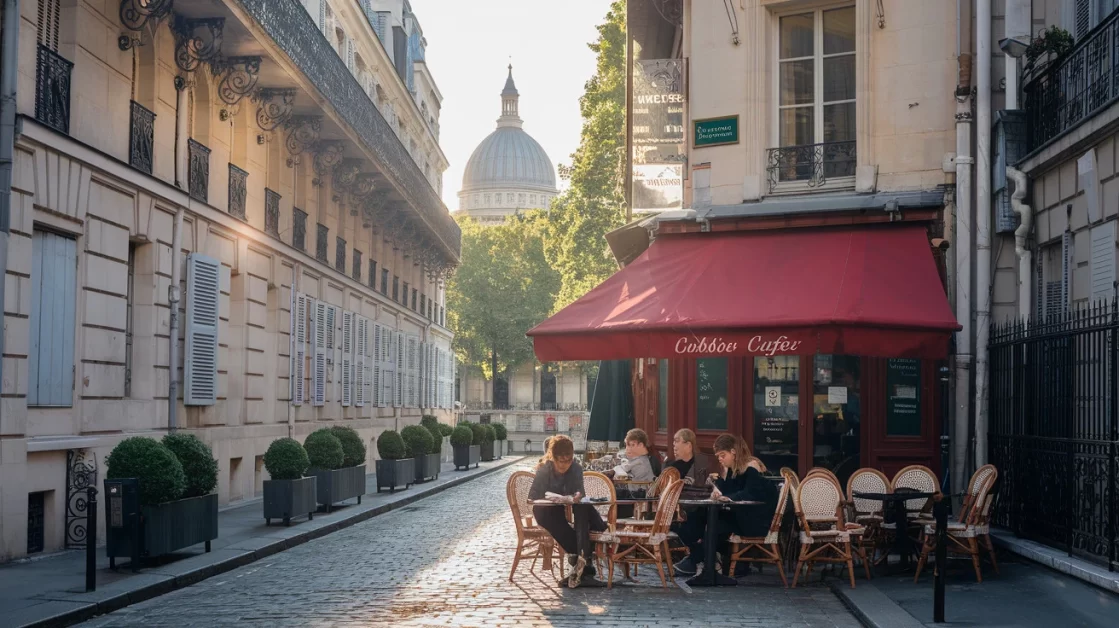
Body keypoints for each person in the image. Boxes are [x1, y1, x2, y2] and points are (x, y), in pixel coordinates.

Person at [672, 434, 779, 578]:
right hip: (739, 515)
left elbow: (749, 493)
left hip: (756, 520)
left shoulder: (751, 466)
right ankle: (700, 557)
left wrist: (728, 497)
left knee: (717, 525)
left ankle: (696, 560)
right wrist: (718, 488)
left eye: (723, 455)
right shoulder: (732, 469)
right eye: (718, 456)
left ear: (733, 452)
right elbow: (729, 491)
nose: (720, 459)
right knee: (697, 517)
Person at [529, 435, 607, 588]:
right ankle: (586, 562)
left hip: (570, 506)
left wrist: (577, 496)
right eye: (561, 461)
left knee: (584, 508)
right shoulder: (545, 470)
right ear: (553, 457)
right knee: (564, 525)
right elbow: (532, 496)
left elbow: (580, 491)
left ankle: (581, 566)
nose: (565, 465)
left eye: (569, 460)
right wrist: (552, 499)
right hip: (547, 510)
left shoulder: (576, 467)